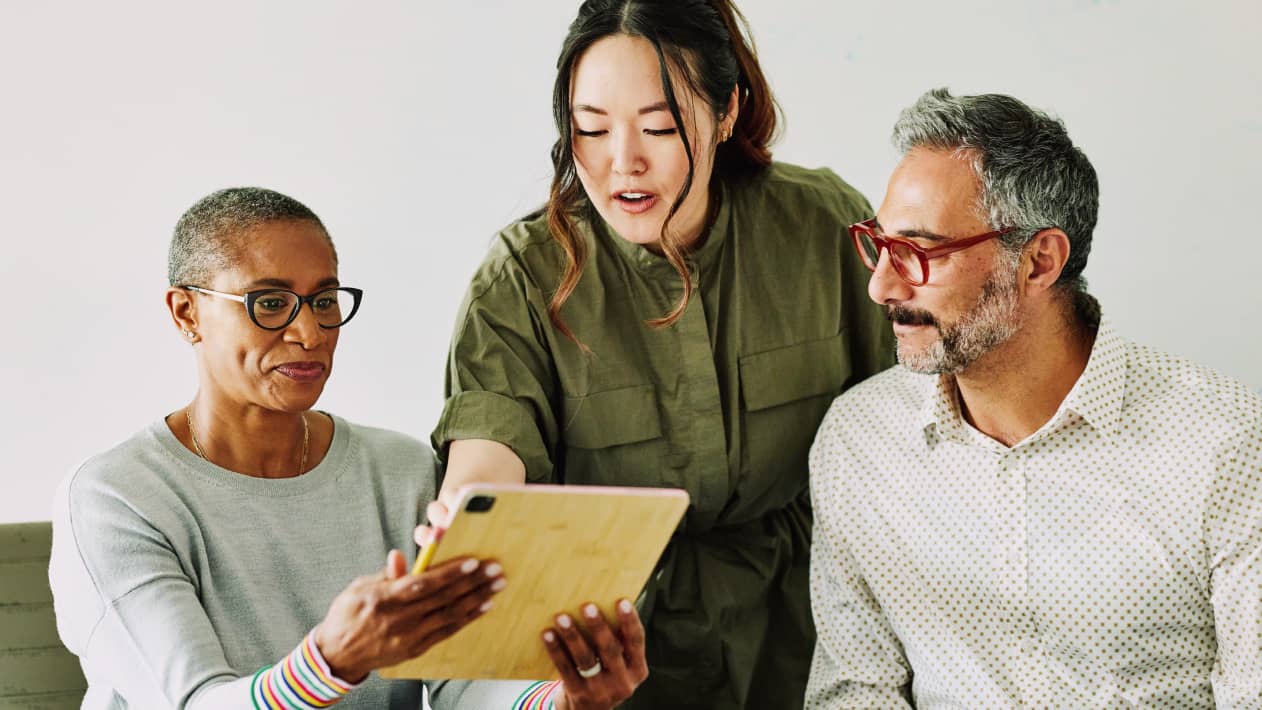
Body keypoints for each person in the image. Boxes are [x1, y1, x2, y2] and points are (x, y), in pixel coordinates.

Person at [423, 1, 894, 707]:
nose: (623, 163)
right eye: (591, 128)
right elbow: (489, 458)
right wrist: (468, 514)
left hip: (812, 639)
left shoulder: (823, 223)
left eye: (660, 127)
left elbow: (915, 427)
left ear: (727, 110)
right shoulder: (522, 276)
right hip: (616, 654)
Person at [48, 187, 648, 710]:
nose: (308, 332)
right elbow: (194, 703)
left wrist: (562, 699)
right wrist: (330, 661)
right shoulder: (114, 499)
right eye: (270, 302)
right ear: (187, 313)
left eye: (325, 300)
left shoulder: (400, 470)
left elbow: (459, 685)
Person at [806, 88, 1262, 707]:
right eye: (881, 245)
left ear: (1039, 260)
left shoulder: (1226, 442)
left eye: (917, 250)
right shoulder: (859, 440)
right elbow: (855, 692)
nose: (881, 286)